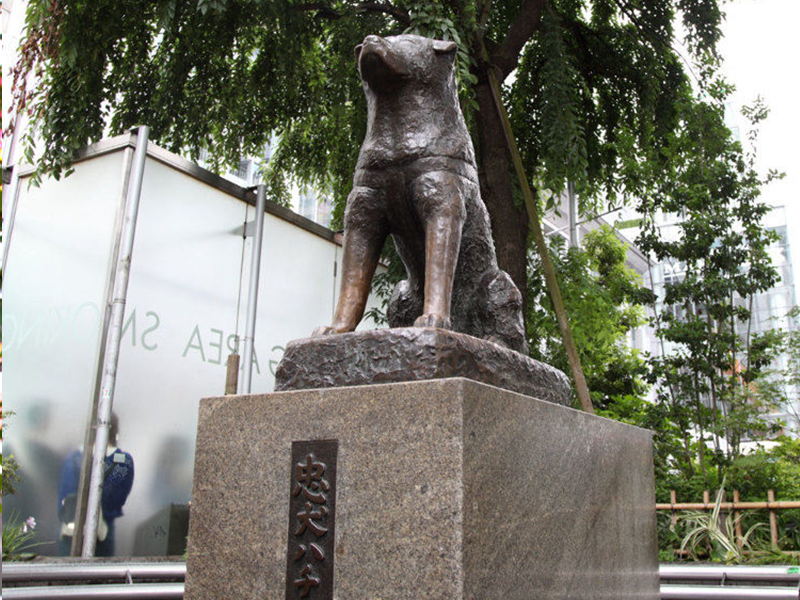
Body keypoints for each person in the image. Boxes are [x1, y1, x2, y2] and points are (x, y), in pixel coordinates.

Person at [57, 414, 134, 556]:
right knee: (100, 574)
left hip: (71, 530)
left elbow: (64, 495)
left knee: (66, 574)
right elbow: (117, 499)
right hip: (103, 531)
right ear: (115, 431)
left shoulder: (74, 458)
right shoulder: (123, 460)